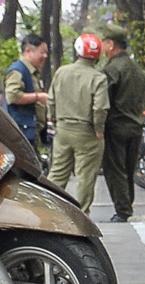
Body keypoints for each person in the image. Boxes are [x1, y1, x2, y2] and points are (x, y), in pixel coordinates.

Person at [47, 32, 111, 212]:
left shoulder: (61, 72)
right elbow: (100, 108)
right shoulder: (98, 78)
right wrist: (99, 129)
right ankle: (82, 214)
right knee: (85, 176)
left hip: (63, 129)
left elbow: (51, 100)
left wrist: (53, 119)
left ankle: (50, 210)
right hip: (87, 131)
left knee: (58, 173)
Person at [97, 24, 145, 223]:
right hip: (136, 125)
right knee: (129, 169)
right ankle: (128, 205)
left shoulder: (111, 69)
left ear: (110, 45)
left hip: (116, 126)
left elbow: (104, 100)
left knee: (115, 170)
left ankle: (122, 210)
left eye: (103, 42)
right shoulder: (136, 69)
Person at [3, 33, 49, 148]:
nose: (45, 56)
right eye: (41, 52)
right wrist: (38, 97)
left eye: (46, 53)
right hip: (20, 132)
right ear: (28, 51)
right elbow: (12, 96)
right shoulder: (18, 71)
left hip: (31, 131)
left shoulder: (32, 72)